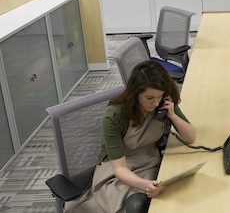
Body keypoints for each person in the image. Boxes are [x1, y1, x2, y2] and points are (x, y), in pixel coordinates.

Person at [65, 60, 197, 213]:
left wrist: (173, 115)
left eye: (159, 97)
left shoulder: (162, 102)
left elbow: (191, 137)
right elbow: (119, 169)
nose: (155, 103)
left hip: (149, 161)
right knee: (137, 204)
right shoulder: (114, 115)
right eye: (149, 98)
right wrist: (145, 185)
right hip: (117, 170)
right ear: (135, 94)